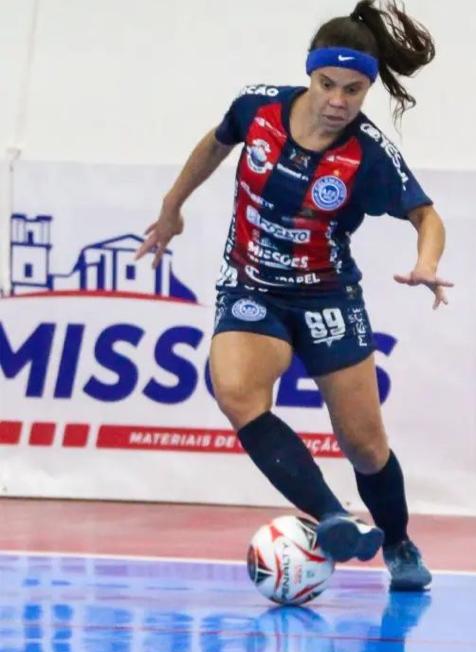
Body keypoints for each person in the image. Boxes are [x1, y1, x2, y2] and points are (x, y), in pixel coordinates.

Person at [135, 0, 450, 592]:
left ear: (367, 89)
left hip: (328, 297)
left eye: (353, 90)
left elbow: (426, 215)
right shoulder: (258, 107)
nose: (338, 100)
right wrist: (172, 208)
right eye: (328, 84)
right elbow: (213, 143)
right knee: (235, 392)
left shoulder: (369, 154)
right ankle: (331, 515)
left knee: (365, 444)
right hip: (252, 286)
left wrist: (426, 262)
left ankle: (399, 543)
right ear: (310, 74)